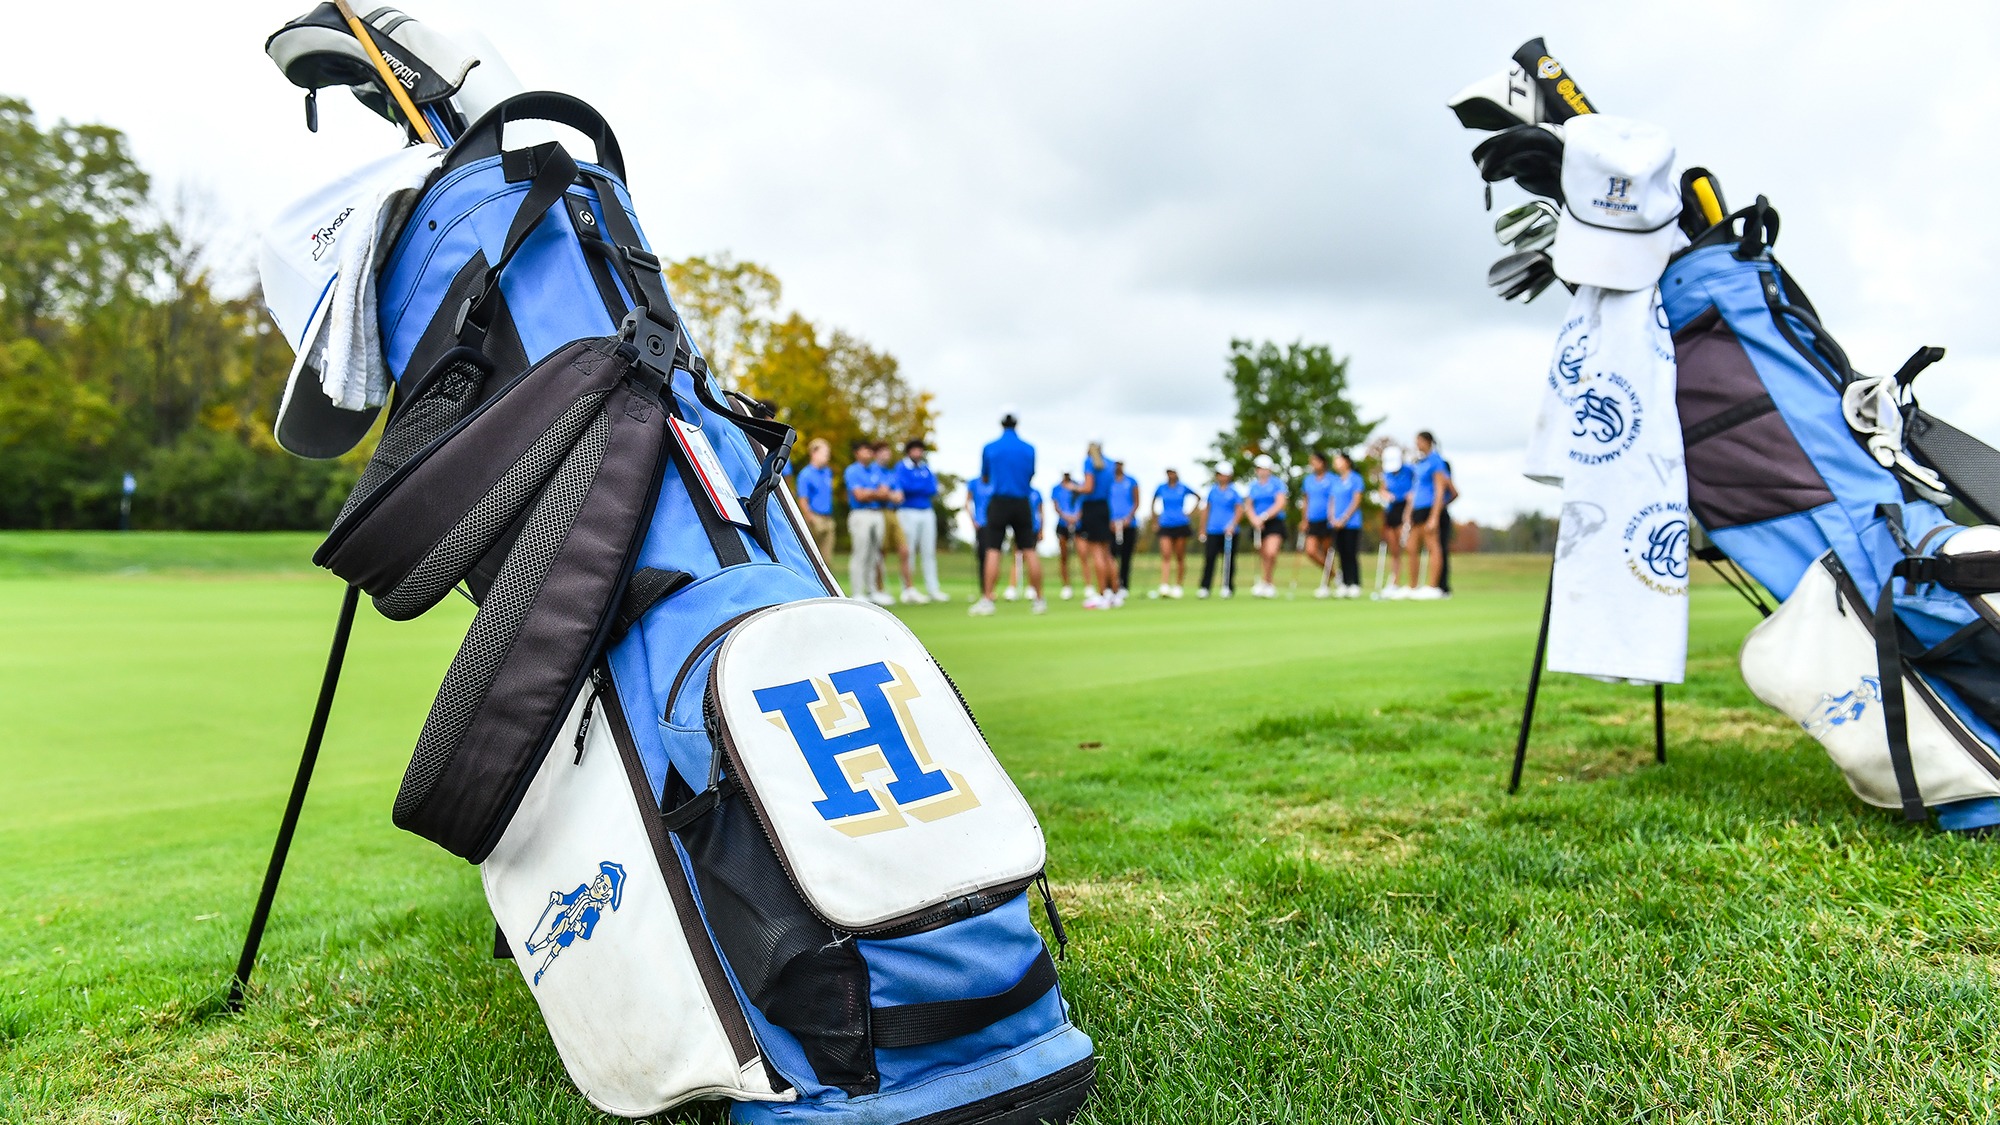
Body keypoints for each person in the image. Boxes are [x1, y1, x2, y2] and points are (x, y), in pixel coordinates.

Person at [970, 411, 1045, 616]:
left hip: (999, 501)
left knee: (993, 550)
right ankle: (1039, 601)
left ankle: (987, 600)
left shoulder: (990, 447)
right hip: (1022, 501)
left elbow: (985, 476)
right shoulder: (1029, 448)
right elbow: (1030, 474)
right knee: (1029, 549)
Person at [1397, 430, 1453, 600]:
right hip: (1417, 510)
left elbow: (1440, 489)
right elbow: (1415, 491)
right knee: (1411, 546)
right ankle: (1413, 586)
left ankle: (1433, 587)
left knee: (1432, 546)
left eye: (1419, 441)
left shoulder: (1436, 461)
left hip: (1430, 509)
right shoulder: (1419, 463)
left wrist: (1435, 516)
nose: (1417, 445)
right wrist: (1408, 512)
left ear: (1428, 441)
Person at [892, 439, 947, 604]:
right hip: (907, 511)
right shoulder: (901, 467)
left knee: (928, 551)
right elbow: (904, 487)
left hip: (926, 511)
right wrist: (918, 487)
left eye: (920, 450)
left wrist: (916, 487)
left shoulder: (926, 468)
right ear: (909, 451)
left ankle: (933, 589)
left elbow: (932, 488)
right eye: (915, 450)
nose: (918, 453)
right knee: (907, 551)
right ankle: (908, 589)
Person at [844, 440, 893, 605]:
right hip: (860, 514)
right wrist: (876, 493)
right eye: (865, 450)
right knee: (861, 553)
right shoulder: (852, 470)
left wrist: (871, 493)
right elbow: (859, 495)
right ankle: (857, 592)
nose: (869, 453)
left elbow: (886, 492)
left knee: (875, 554)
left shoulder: (875, 469)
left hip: (877, 514)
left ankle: (873, 591)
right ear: (857, 453)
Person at [1076, 442, 1122, 609]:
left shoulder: (1089, 461)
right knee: (1107, 553)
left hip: (1092, 508)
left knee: (1097, 552)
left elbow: (1088, 488)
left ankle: (1103, 594)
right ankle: (1114, 594)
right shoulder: (1110, 462)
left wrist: (1074, 487)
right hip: (1105, 507)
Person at [1196, 465, 1244, 599]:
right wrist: (1202, 528)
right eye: (1219, 474)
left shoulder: (1234, 491)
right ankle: (1205, 587)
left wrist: (1233, 524)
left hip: (1229, 531)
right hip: (1212, 529)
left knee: (1229, 560)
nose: (1221, 477)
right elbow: (1207, 509)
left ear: (1229, 476)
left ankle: (1227, 587)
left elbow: (1240, 509)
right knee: (1209, 558)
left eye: (1224, 474)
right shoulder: (1212, 490)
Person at [1244, 454, 1289, 598]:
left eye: (1265, 468)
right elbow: (1248, 505)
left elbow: (1280, 503)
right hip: (1258, 523)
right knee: (1263, 554)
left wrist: (1264, 516)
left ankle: (1268, 582)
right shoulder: (1253, 486)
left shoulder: (1277, 483)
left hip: (1274, 522)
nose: (1262, 471)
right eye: (1259, 468)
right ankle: (1264, 583)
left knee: (1271, 552)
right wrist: (1254, 519)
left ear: (1270, 469)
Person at [1151, 467, 1195, 598]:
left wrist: (1190, 513)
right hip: (1165, 524)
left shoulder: (1183, 487)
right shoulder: (1161, 488)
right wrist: (1155, 520)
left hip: (1181, 524)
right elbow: (1152, 502)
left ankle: (1178, 585)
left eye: (1173, 472)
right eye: (1168, 473)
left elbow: (1198, 497)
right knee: (1166, 554)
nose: (1171, 475)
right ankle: (1164, 585)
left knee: (1180, 556)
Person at [1377, 445, 1413, 598]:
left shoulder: (1410, 470)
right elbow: (1382, 489)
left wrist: (1408, 513)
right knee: (1395, 550)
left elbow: (1416, 489)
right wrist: (1385, 494)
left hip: (1407, 509)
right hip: (1391, 510)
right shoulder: (1386, 474)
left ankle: (1412, 584)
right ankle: (1395, 581)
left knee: (1409, 547)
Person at [1329, 451, 1366, 598]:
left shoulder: (1356, 479)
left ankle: (1355, 583)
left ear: (1346, 462)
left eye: (1338, 460)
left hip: (1351, 523)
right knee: (1341, 554)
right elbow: (1332, 501)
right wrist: (1332, 518)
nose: (1336, 463)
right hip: (1336, 523)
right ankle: (1344, 583)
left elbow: (1356, 500)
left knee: (1351, 553)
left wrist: (1344, 518)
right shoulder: (1336, 481)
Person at [1300, 451, 1337, 597]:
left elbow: (1335, 500)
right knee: (1310, 551)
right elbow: (1306, 500)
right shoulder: (1308, 480)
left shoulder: (1332, 479)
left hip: (1327, 520)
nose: (1313, 464)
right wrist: (1304, 519)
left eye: (1315, 461)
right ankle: (1334, 574)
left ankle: (1326, 584)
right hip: (1312, 520)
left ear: (1323, 463)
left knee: (1327, 552)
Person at [794, 438, 836, 561]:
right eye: (824, 453)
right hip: (815, 518)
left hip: (828, 518)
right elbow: (802, 499)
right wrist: (810, 518)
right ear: (814, 453)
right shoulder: (805, 474)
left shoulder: (827, 472)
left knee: (827, 559)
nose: (827, 456)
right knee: (812, 558)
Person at [1050, 471, 1083, 599]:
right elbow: (1056, 506)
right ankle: (1066, 587)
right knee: (1064, 556)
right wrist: (1066, 517)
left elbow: (1082, 504)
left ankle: (1088, 586)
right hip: (1062, 524)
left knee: (1083, 554)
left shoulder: (1078, 487)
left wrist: (1076, 517)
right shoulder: (1056, 489)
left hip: (1078, 524)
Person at [1110, 461, 1141, 593]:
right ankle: (1110, 585)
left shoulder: (1131, 481)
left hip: (1129, 524)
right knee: (1110, 556)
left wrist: (1128, 519)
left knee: (1126, 556)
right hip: (1110, 524)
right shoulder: (1108, 481)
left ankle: (1123, 585)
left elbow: (1136, 502)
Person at [966, 473, 994, 587]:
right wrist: (973, 520)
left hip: (995, 524)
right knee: (983, 556)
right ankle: (985, 589)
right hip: (981, 524)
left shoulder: (997, 481)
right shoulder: (974, 482)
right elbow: (967, 502)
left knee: (994, 555)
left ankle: (991, 588)